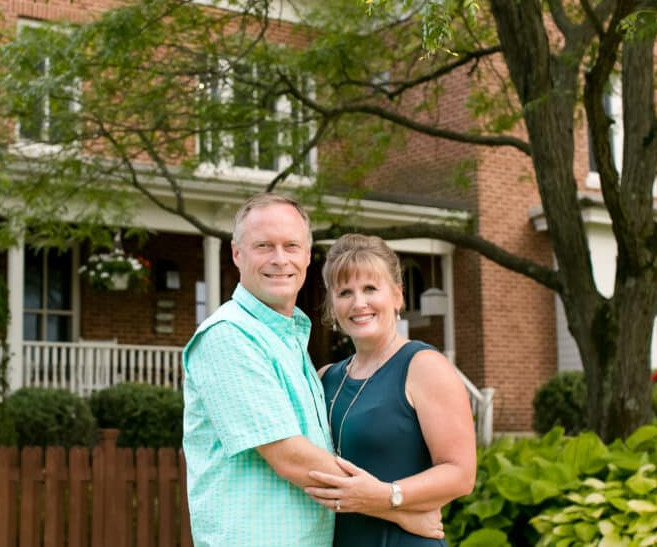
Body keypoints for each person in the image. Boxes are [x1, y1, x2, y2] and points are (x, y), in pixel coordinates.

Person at [183, 194, 444, 547]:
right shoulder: (229, 336)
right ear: (236, 254)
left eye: (291, 245)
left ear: (307, 256)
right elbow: (291, 458)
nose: (280, 259)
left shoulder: (290, 340)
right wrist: (397, 508)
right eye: (263, 245)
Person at [304, 233, 476, 545]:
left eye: (371, 288)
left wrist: (387, 496)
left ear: (397, 295)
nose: (359, 303)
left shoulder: (424, 366)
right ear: (332, 305)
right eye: (345, 292)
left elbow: (461, 474)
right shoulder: (325, 377)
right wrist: (398, 511)